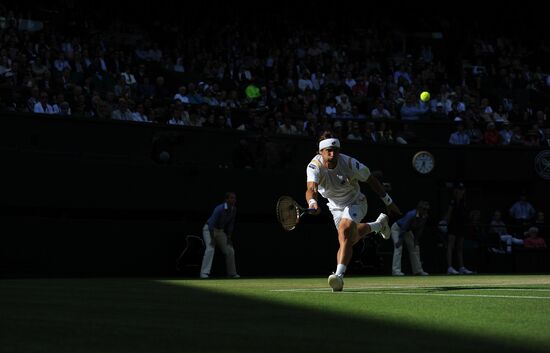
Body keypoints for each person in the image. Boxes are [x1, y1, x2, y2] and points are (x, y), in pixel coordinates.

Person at [305, 131, 401, 292]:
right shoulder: (314, 166)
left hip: (356, 202)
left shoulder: (350, 163)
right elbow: (310, 188)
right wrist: (312, 202)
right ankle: (378, 225)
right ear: (320, 152)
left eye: (335, 150)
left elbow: (371, 179)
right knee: (349, 239)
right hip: (335, 208)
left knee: (344, 230)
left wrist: (389, 202)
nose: (332, 153)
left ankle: (338, 277)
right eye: (328, 150)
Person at [199, 192, 240, 279]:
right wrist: (212, 238)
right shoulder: (219, 208)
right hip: (209, 229)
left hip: (220, 231)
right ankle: (204, 273)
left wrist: (229, 237)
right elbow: (211, 225)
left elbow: (231, 224)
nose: (234, 200)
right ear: (226, 199)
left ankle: (232, 273)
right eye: (231, 198)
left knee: (230, 250)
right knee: (210, 248)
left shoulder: (234, 209)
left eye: (235, 198)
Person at [390, 201, 430, 276]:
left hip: (407, 231)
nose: (425, 211)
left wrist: (416, 240)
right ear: (419, 208)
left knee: (415, 247)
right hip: (397, 229)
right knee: (398, 248)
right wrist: (400, 240)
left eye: (427, 209)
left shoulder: (425, 216)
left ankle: (418, 270)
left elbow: (420, 229)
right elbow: (403, 227)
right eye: (424, 209)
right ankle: (396, 271)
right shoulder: (411, 214)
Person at [444, 182, 474, 275]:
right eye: (459, 189)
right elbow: (449, 213)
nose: (461, 191)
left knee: (460, 247)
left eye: (462, 189)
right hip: (453, 225)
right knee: (451, 246)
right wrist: (445, 223)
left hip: (462, 226)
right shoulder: (453, 201)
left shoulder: (463, 201)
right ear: (456, 190)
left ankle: (461, 267)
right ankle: (449, 268)